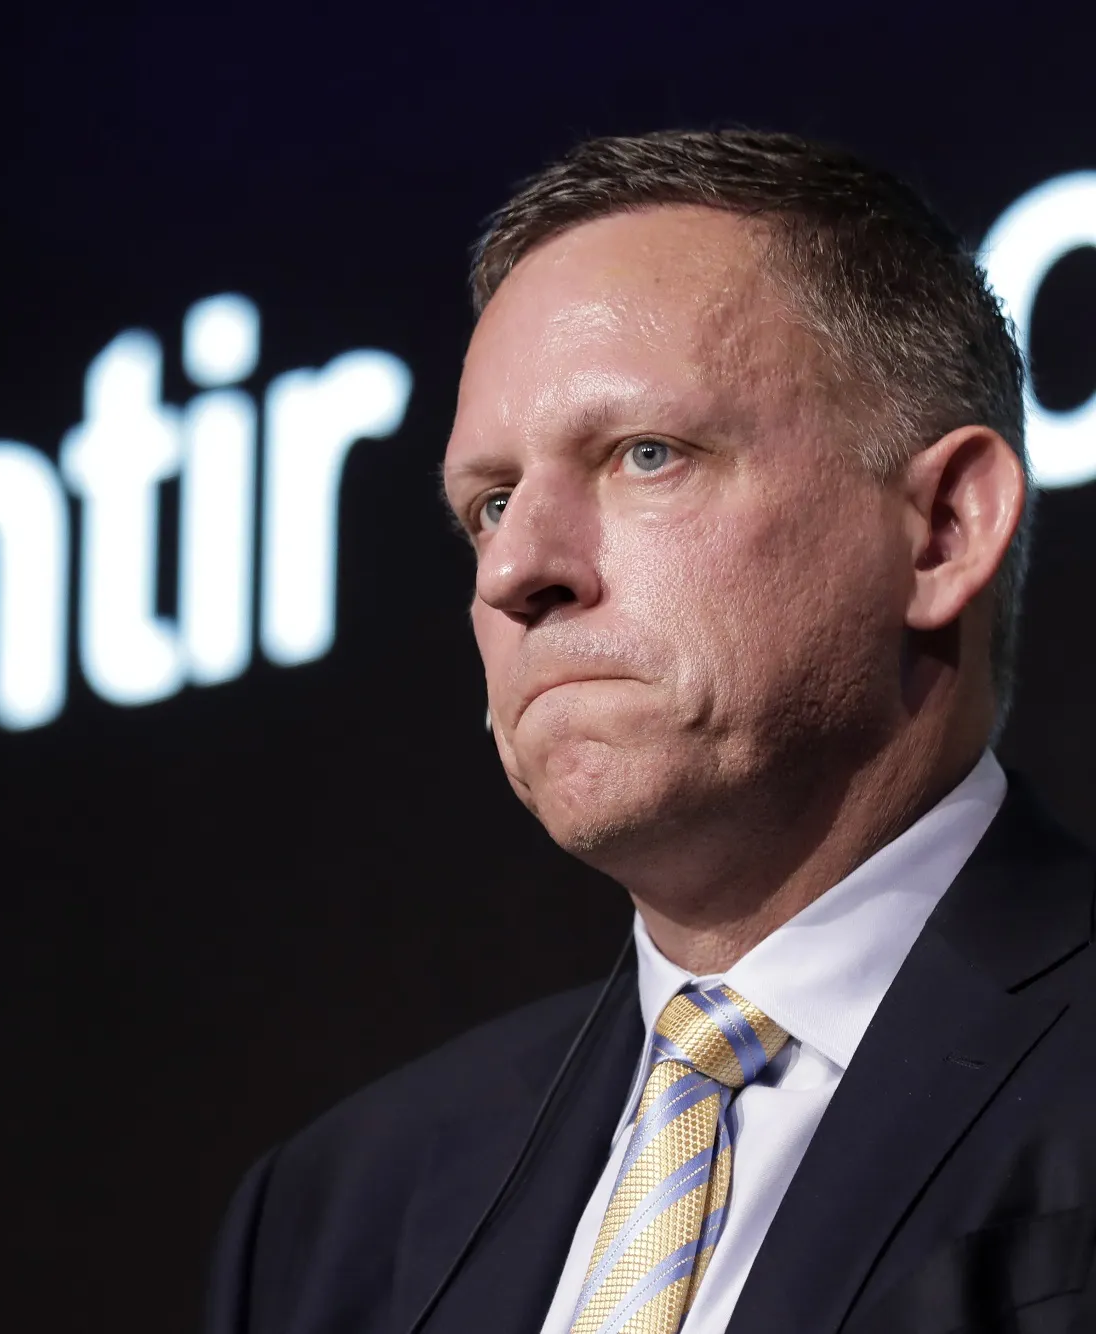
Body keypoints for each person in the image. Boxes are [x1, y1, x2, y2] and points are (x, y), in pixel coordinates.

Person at [202, 129, 1095, 1334]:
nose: (514, 570)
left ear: (940, 527)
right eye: (490, 503)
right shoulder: (335, 1214)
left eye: (643, 455)